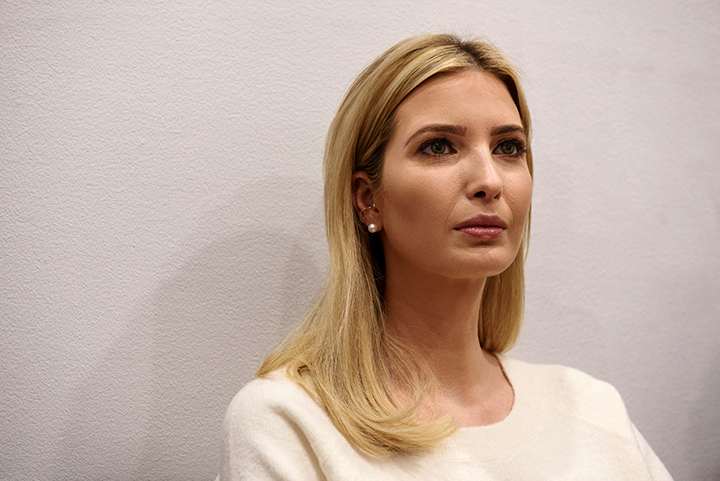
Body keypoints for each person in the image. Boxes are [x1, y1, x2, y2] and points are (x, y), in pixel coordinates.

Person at [217, 33, 673, 480]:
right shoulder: (290, 423)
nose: (490, 180)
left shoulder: (595, 409)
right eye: (439, 146)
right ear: (367, 198)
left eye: (508, 147)